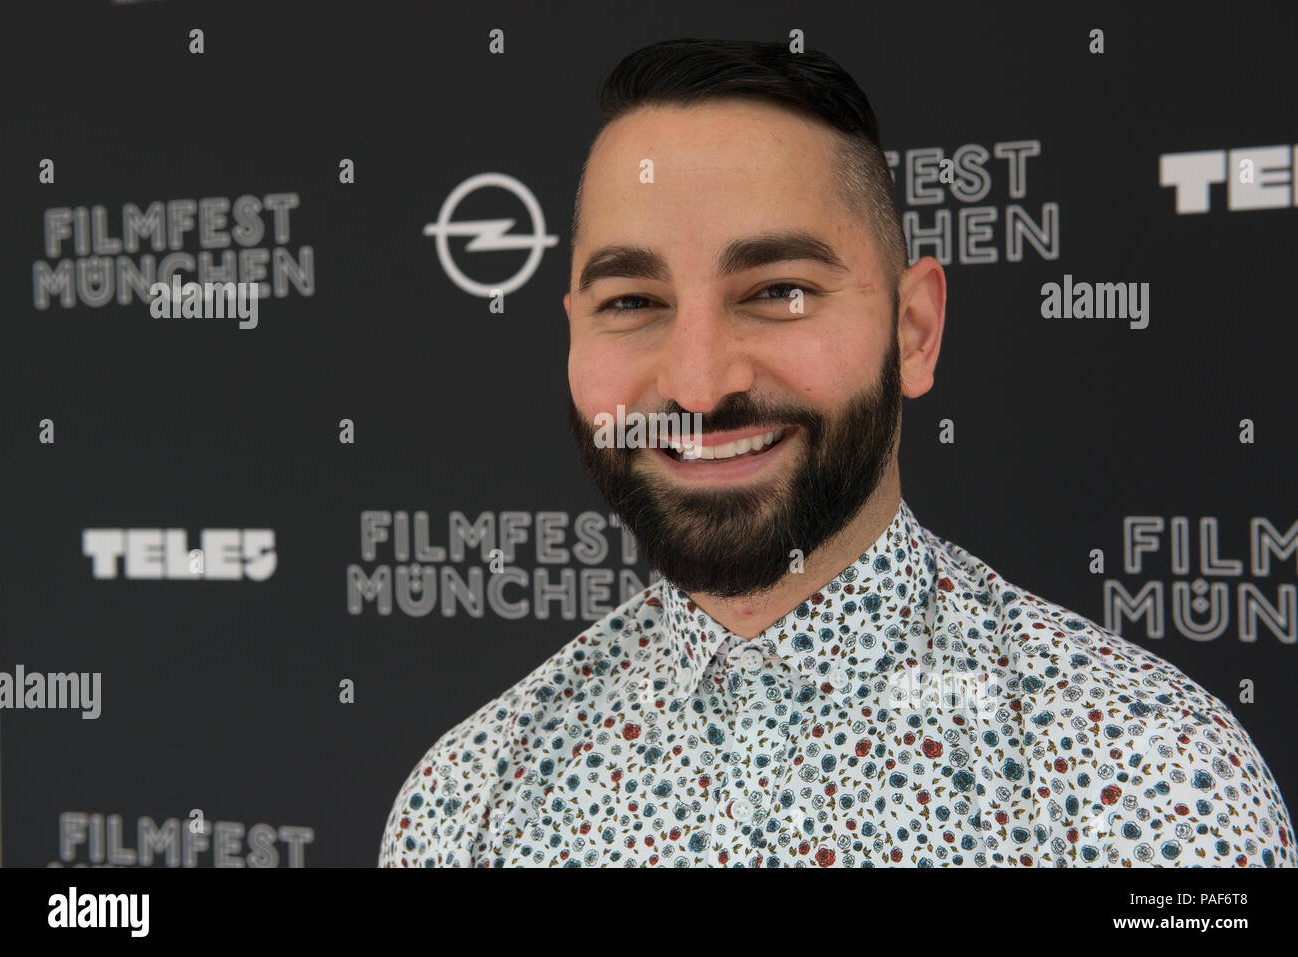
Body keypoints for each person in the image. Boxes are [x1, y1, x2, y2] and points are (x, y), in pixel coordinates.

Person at [379, 37, 1293, 867]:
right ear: (573, 337)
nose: (699, 385)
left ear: (916, 329)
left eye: (778, 289)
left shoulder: (1149, 779)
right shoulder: (464, 803)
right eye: (632, 302)